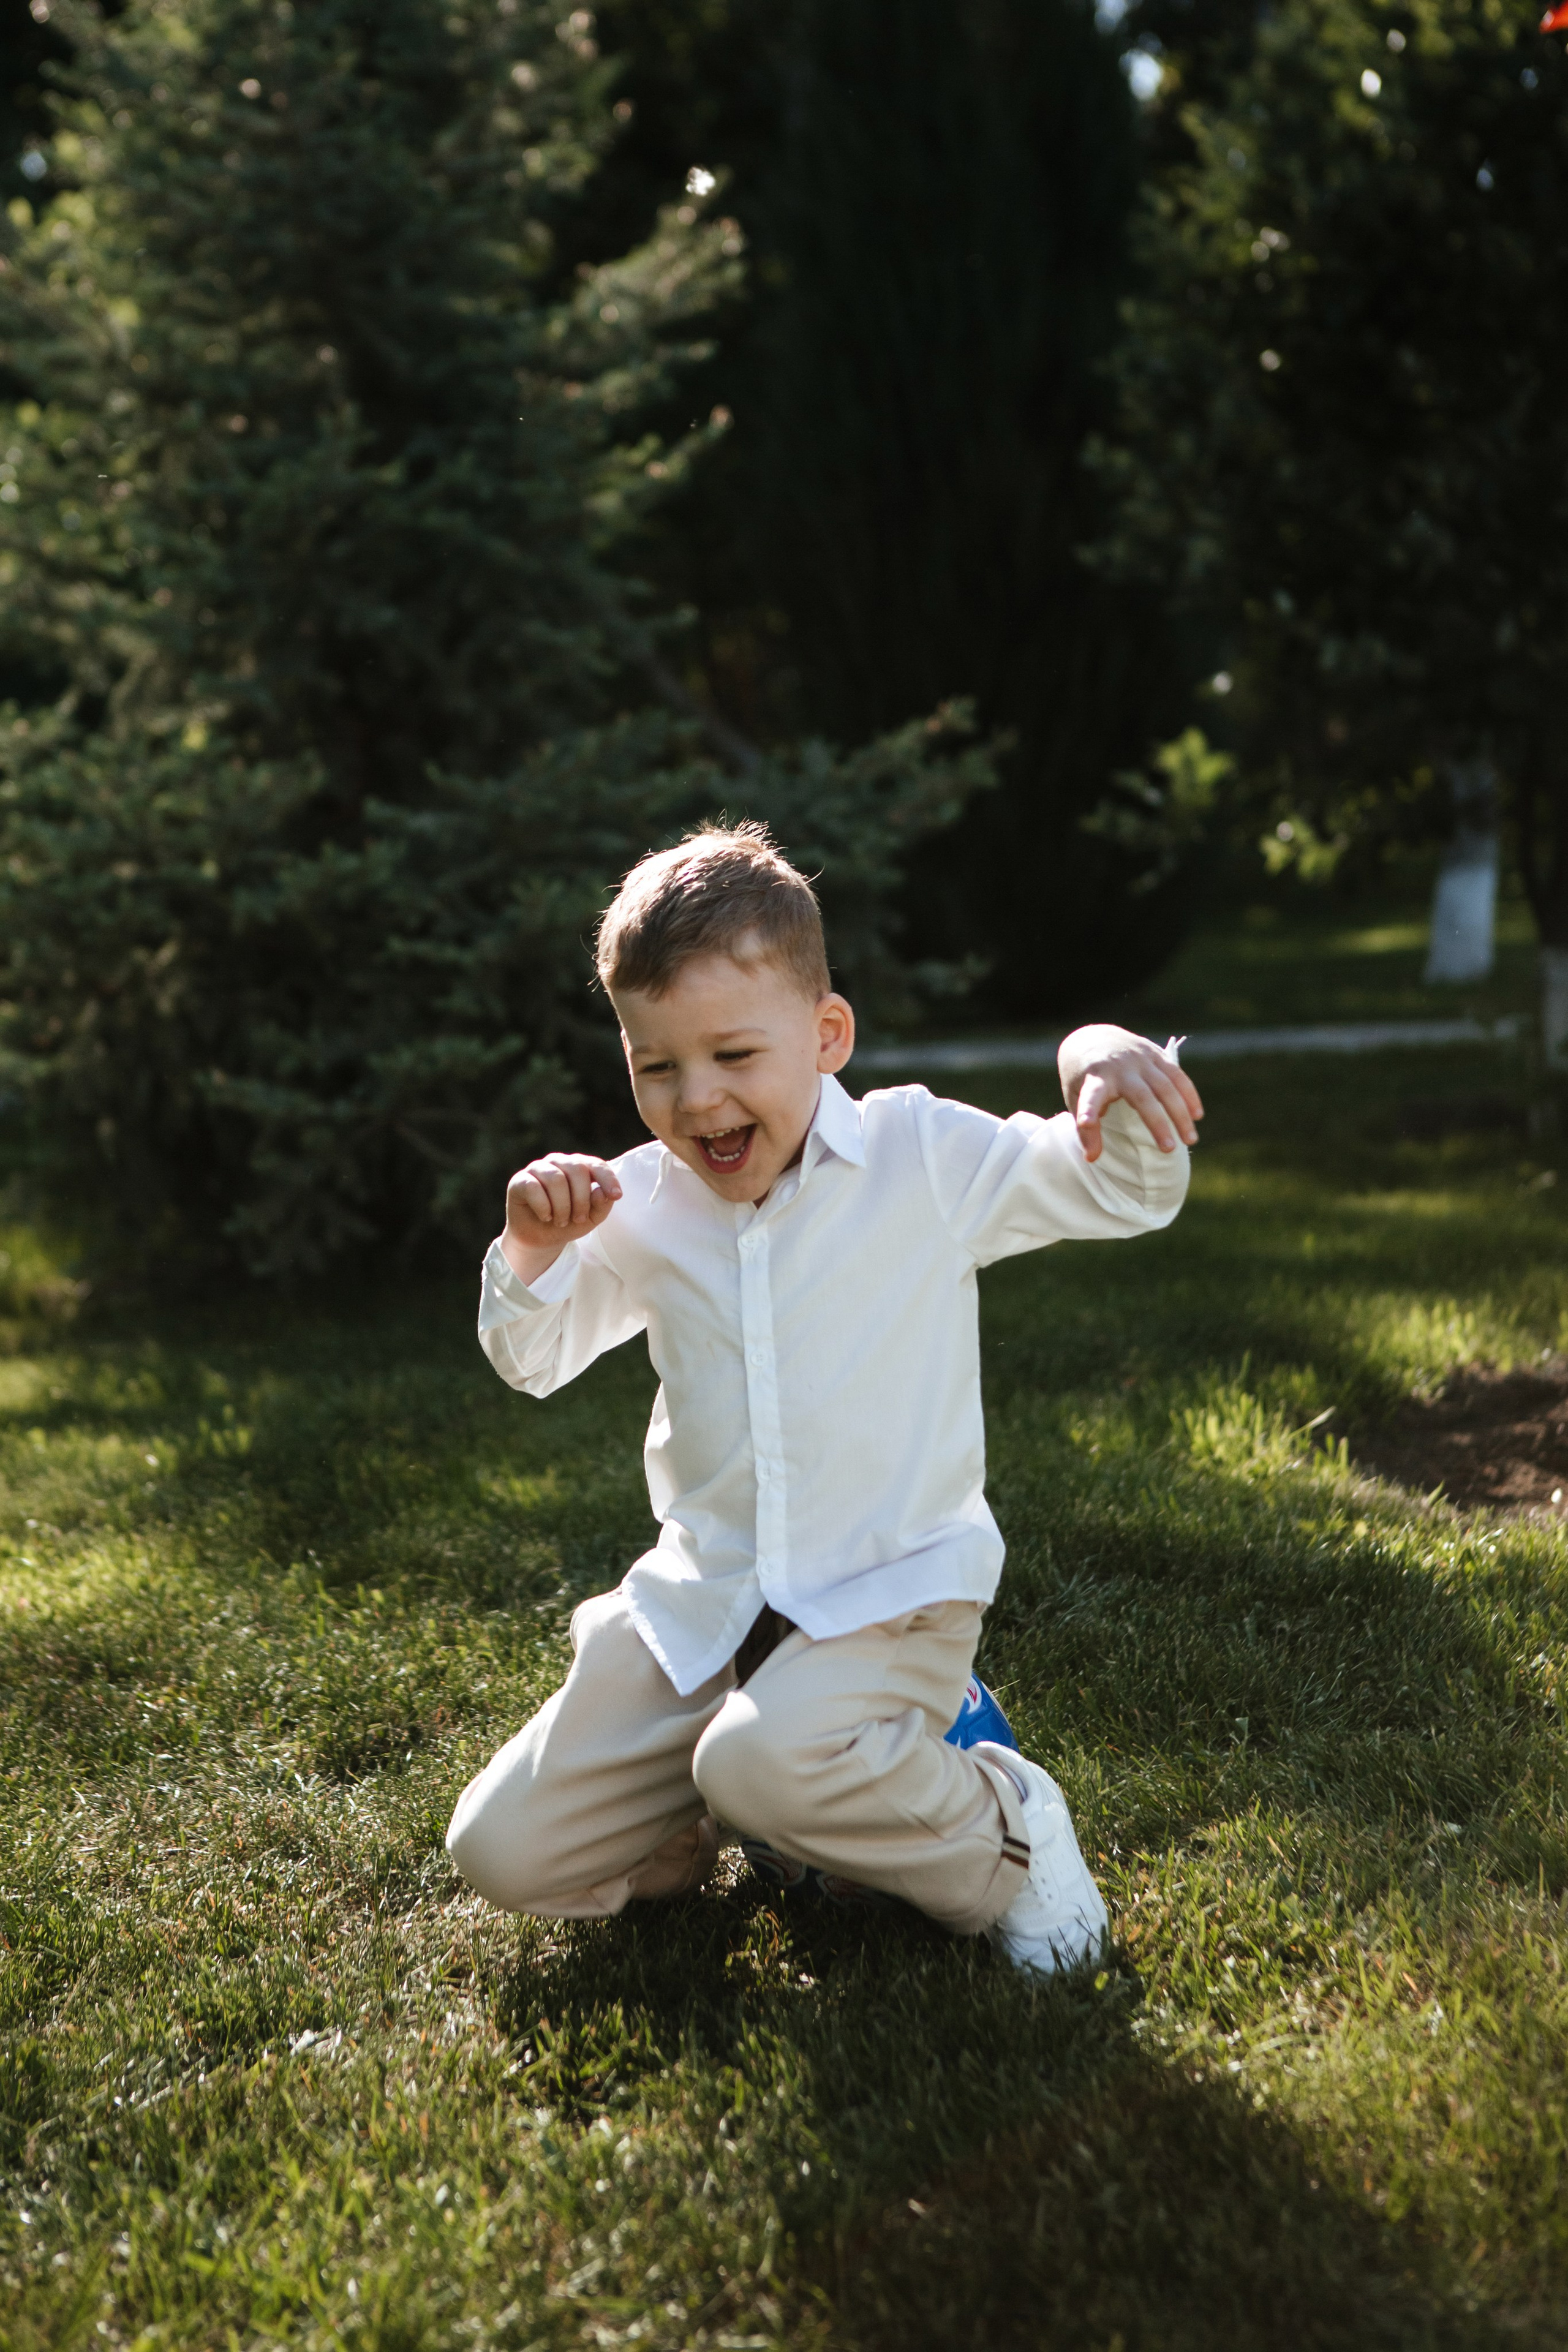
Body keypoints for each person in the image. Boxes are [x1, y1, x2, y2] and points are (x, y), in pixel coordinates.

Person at [445, 824, 1202, 1975]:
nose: (697, 1101)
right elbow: (532, 1357)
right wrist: (532, 1246)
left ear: (827, 1035)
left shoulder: (919, 1158)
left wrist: (1098, 1050)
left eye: (734, 1056)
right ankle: (700, 1823)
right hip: (705, 1606)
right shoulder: (643, 1204)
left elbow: (1130, 1190)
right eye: (657, 1067)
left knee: (762, 1765)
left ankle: (997, 1818)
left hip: (884, 1591)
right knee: (499, 1849)